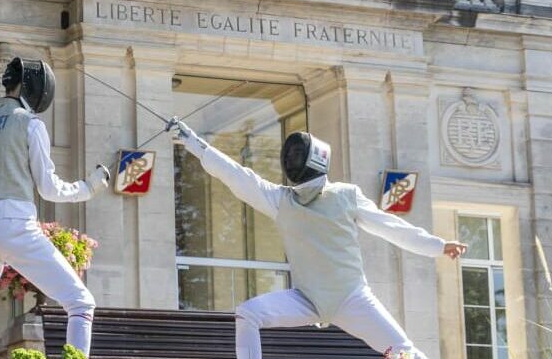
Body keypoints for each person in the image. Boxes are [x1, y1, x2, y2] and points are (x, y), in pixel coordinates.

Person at [171, 121, 467, 359]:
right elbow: (236, 175)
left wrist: (437, 245)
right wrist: (192, 141)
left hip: (352, 299)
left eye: (296, 155)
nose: (293, 159)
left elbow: (391, 227)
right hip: (307, 300)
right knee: (248, 314)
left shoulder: (339, 196)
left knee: (405, 353)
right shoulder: (284, 200)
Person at [0, 57, 110, 358]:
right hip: (16, 223)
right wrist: (88, 188)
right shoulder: (30, 124)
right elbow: (48, 188)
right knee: (81, 303)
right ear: (34, 88)